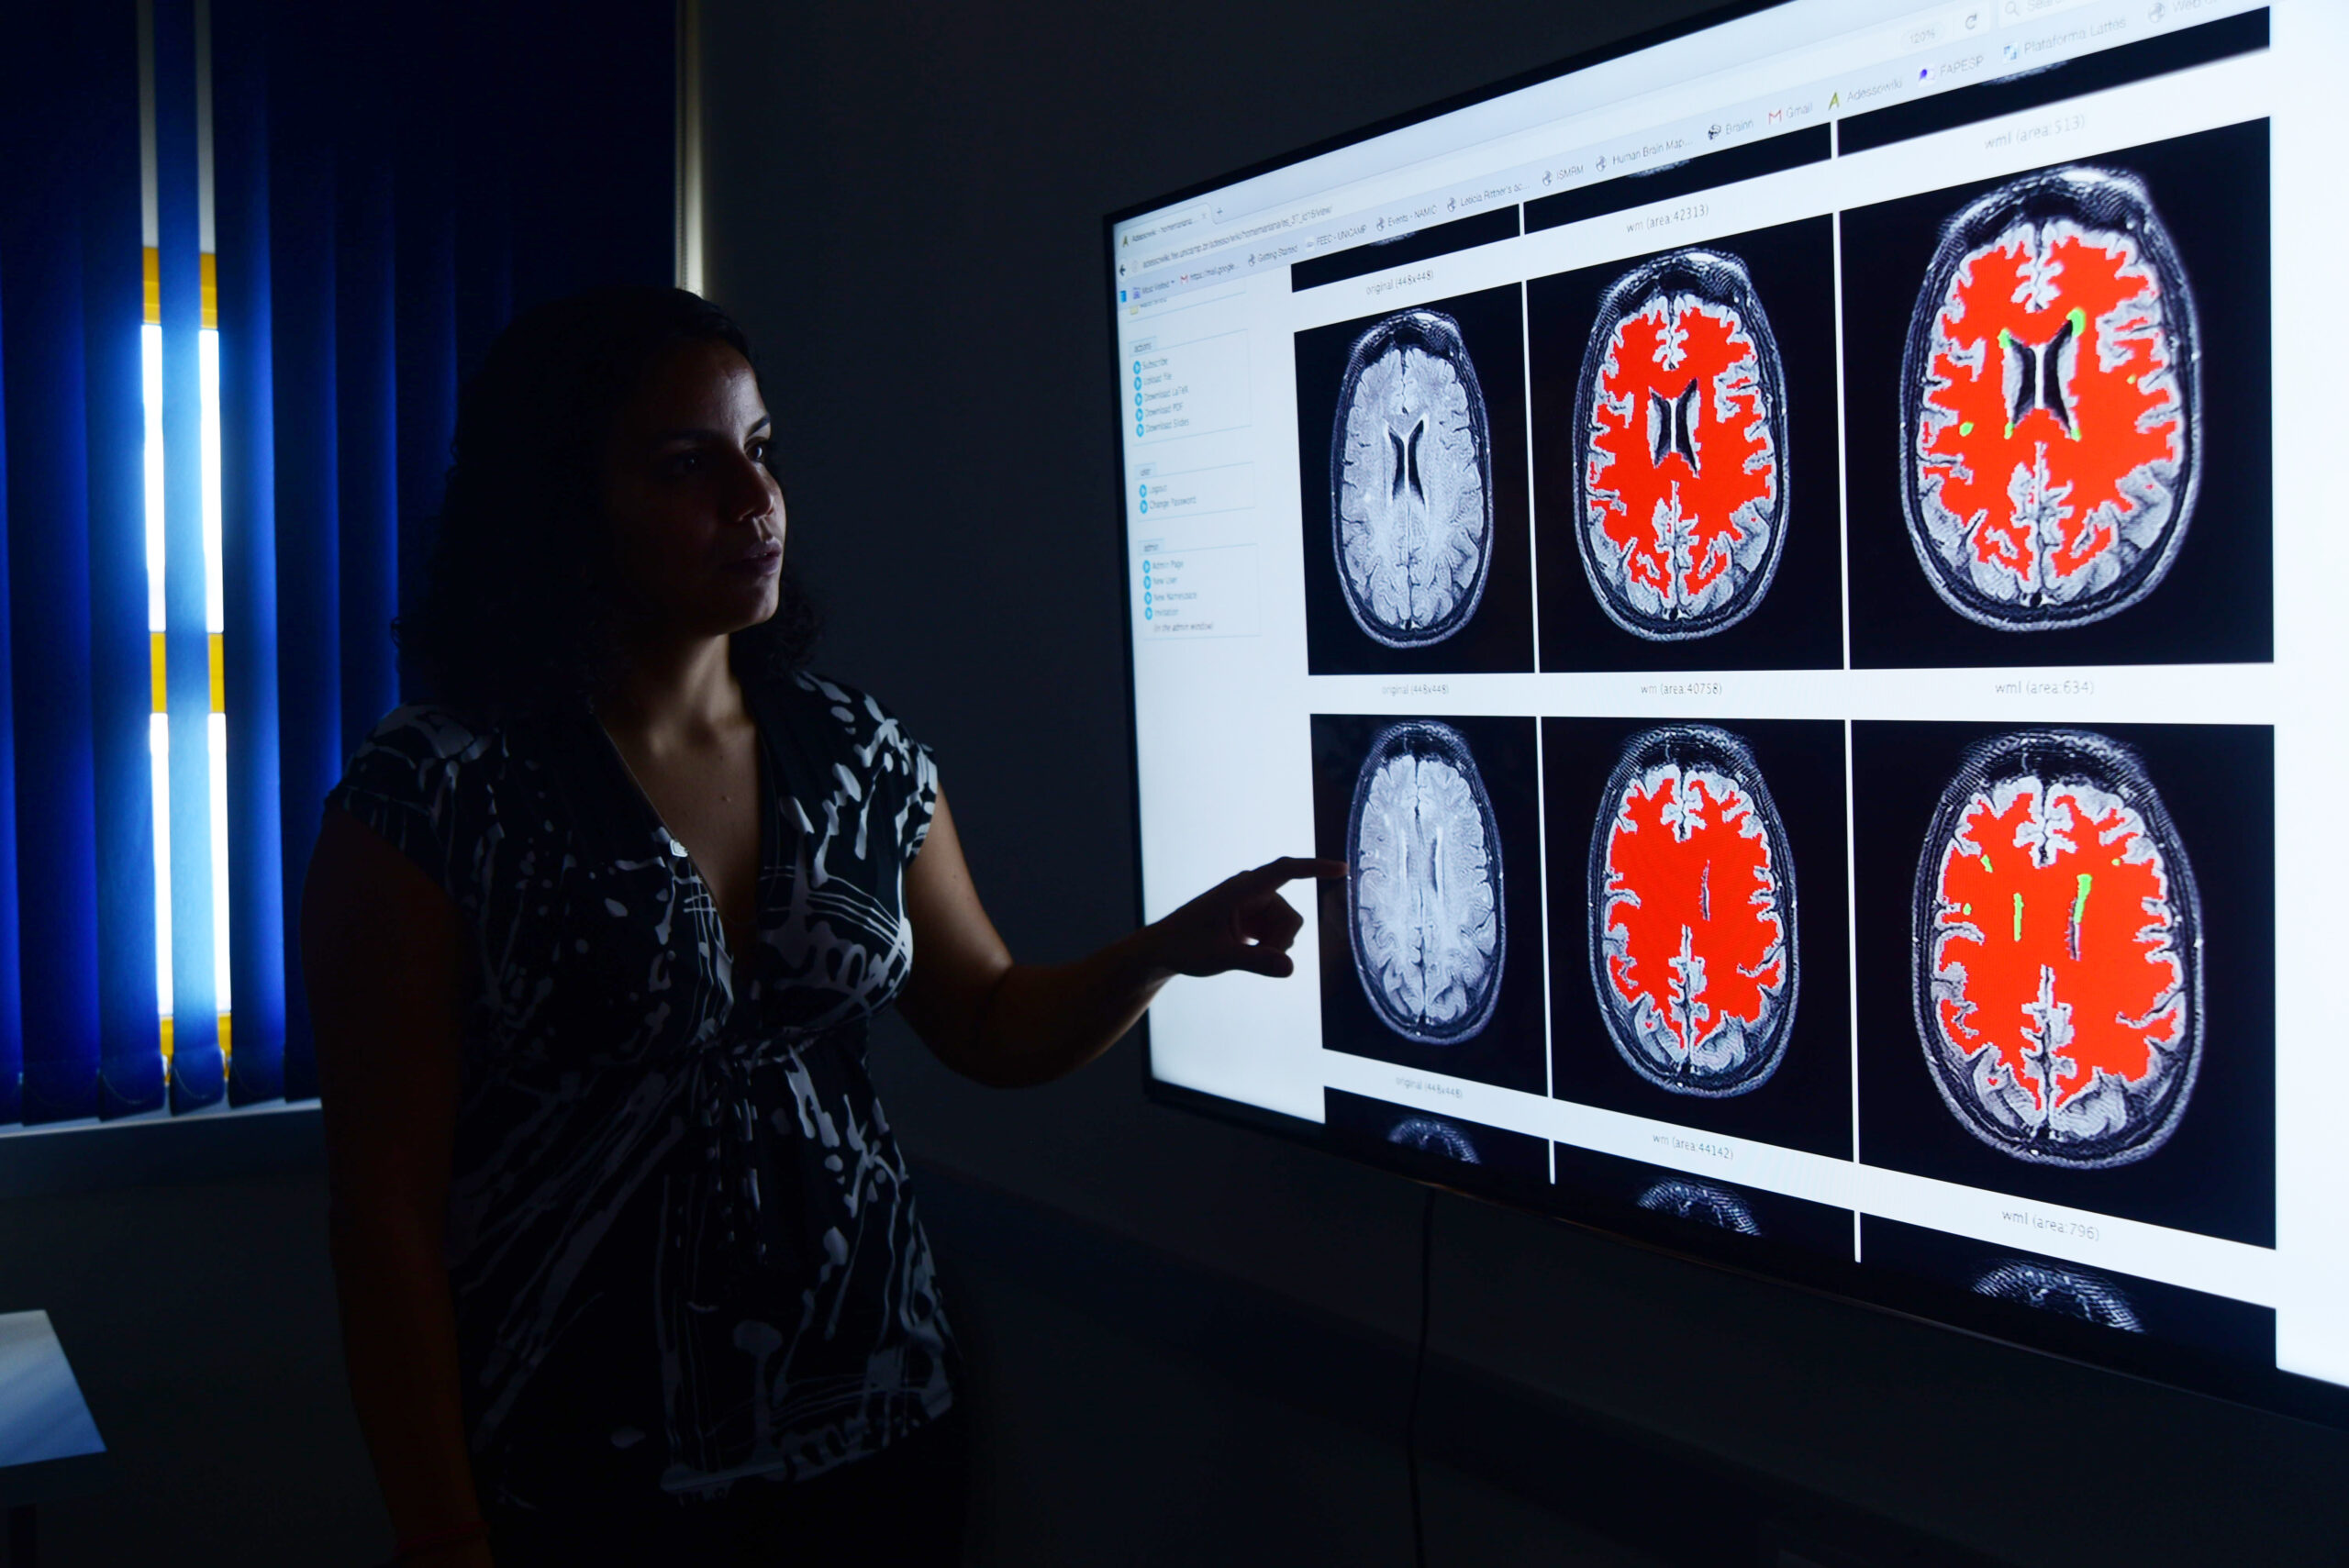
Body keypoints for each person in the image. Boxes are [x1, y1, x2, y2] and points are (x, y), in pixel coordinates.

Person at [302, 287, 1335, 1566]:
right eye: (689, 465)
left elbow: (988, 1019)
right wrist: (442, 1530)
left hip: (882, 1436)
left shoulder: (857, 752)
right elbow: (383, 1210)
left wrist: (1162, 950)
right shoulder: (438, 793)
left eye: (762, 449)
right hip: (580, 1483)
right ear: (566, 504)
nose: (757, 499)